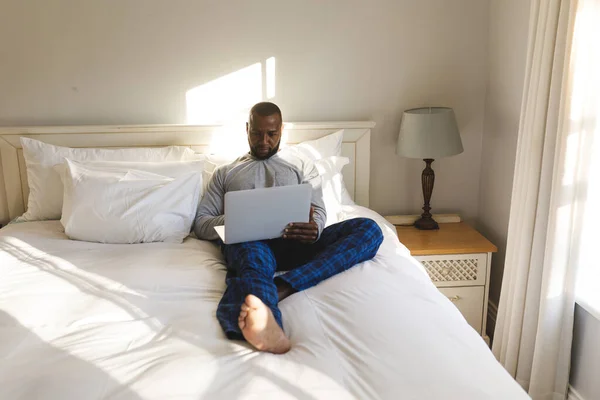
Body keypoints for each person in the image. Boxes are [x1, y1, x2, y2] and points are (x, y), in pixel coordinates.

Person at [194, 102, 383, 354]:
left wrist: (315, 228)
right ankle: (268, 326)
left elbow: (319, 210)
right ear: (247, 129)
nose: (263, 141)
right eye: (256, 133)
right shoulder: (225, 173)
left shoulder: (302, 166)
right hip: (252, 243)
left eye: (271, 134)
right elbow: (201, 223)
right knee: (252, 258)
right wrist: (237, 219)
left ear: (281, 130)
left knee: (369, 229)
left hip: (296, 243)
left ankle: (281, 287)